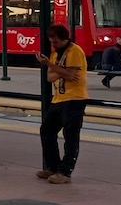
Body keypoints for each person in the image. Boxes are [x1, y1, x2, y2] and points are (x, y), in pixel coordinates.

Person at [36, 23, 87, 184]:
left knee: (70, 136)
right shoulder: (55, 54)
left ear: (65, 39)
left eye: (56, 42)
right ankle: (53, 166)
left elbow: (71, 75)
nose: (53, 45)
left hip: (74, 99)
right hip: (58, 99)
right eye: (52, 42)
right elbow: (50, 78)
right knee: (47, 131)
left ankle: (65, 172)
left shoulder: (75, 51)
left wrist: (51, 66)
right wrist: (61, 71)